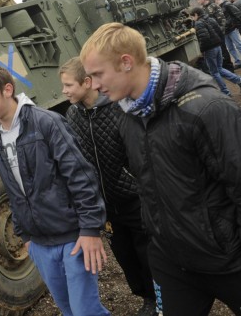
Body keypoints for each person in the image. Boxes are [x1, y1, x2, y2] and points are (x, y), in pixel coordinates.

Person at [80, 22, 241, 315]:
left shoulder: (206, 108)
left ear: (126, 62)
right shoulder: (127, 114)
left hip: (228, 260)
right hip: (171, 260)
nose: (93, 85)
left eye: (97, 74)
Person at [0, 65, 110, 316]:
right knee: (67, 310)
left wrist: (90, 229)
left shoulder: (46, 122)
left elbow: (81, 176)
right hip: (39, 244)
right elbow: (12, 189)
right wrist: (26, 236)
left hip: (72, 237)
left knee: (85, 311)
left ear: (8, 89)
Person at [59, 57, 156, 316]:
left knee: (148, 252)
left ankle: (160, 297)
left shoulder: (118, 108)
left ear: (87, 82)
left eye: (68, 85)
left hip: (134, 198)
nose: (64, 91)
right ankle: (145, 296)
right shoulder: (72, 115)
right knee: (124, 254)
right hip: (105, 204)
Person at [189, 7, 241, 96]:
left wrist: (202, 51)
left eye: (192, 17)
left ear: (196, 15)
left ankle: (225, 93)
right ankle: (239, 80)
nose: (193, 19)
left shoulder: (199, 23)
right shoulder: (211, 19)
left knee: (214, 72)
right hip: (218, 46)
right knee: (219, 69)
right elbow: (219, 31)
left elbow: (204, 38)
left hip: (209, 49)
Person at [211, 0, 241, 69]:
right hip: (224, 30)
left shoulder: (227, 4)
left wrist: (236, 25)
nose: (212, 3)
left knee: (239, 45)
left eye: (213, 0)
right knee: (230, 48)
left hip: (232, 29)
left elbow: (237, 13)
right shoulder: (217, 8)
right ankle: (237, 62)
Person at [197, 0, 234, 72]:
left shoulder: (214, 6)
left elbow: (222, 19)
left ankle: (229, 68)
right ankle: (223, 69)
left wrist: (220, 31)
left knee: (223, 50)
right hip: (212, 34)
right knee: (218, 53)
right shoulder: (202, 9)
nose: (198, 1)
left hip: (218, 32)